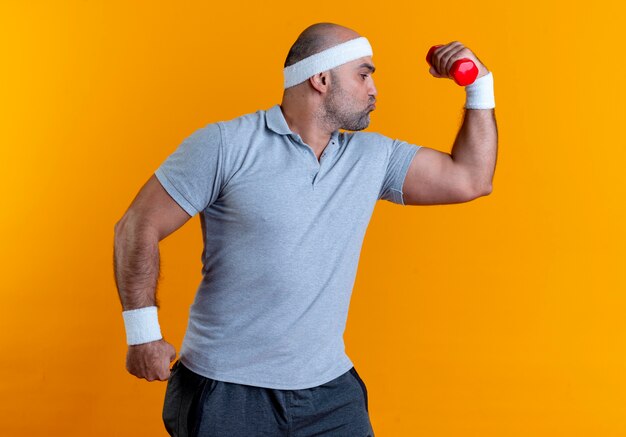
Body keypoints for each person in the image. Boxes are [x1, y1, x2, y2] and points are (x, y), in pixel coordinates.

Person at [113, 22, 497, 437]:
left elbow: (471, 179)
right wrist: (143, 335)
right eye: (364, 75)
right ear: (321, 79)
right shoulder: (227, 144)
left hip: (330, 394)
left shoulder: (371, 157)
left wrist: (480, 85)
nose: (374, 90)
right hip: (227, 390)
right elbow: (137, 225)